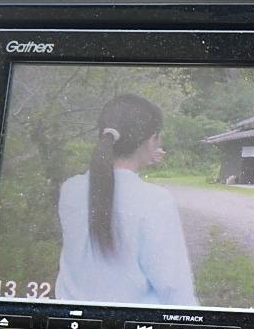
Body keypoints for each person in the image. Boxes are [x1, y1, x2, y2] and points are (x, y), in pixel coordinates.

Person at [55, 94, 197, 305]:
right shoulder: (156, 201)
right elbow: (174, 289)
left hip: (71, 317)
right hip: (131, 321)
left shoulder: (70, 189)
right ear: (151, 140)